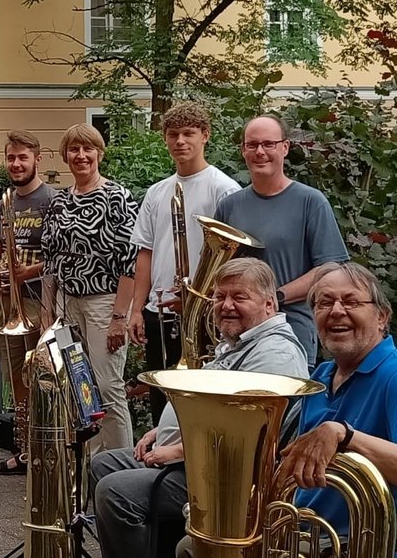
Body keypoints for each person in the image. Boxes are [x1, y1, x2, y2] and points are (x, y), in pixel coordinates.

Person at [176, 261, 397, 558]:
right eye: (324, 302)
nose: (336, 311)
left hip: (349, 544)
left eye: (351, 301)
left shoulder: (393, 374)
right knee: (198, 545)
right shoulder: (321, 375)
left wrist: (344, 435)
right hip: (302, 531)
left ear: (382, 317)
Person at [92, 258, 309, 558]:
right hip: (195, 462)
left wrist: (180, 450)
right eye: (220, 297)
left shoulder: (275, 354)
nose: (226, 305)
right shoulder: (242, 342)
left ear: (269, 305)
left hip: (223, 479)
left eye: (239, 297)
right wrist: (161, 431)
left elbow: (246, 432)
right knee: (103, 464)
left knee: (115, 492)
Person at [127, 102, 242, 425]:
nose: (180, 141)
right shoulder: (157, 192)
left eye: (189, 133)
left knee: (196, 402)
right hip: (158, 309)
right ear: (164, 139)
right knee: (160, 398)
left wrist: (200, 298)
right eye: (173, 134)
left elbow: (232, 257)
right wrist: (137, 309)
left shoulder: (224, 189)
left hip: (200, 313)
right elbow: (145, 252)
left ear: (205, 136)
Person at [214, 115, 350, 370]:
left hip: (291, 331)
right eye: (252, 145)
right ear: (243, 150)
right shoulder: (229, 206)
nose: (260, 152)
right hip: (237, 336)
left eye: (269, 144)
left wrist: (277, 296)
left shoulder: (311, 201)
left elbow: (332, 267)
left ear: (284, 148)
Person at [41, 123, 138, 454]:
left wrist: (119, 317)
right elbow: (50, 262)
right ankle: (90, 470)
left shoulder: (116, 197)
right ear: (66, 156)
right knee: (80, 390)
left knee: (109, 388)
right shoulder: (58, 202)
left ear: (99, 153)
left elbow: (130, 260)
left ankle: (122, 468)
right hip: (66, 305)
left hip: (104, 303)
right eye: (74, 149)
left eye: (88, 149)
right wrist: (46, 315)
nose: (81, 156)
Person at [0, 130, 58, 476]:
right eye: (11, 158)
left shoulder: (52, 200)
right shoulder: (4, 203)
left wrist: (27, 271)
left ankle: (47, 449)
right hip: (9, 305)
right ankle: (25, 450)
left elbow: (58, 256)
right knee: (16, 378)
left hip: (38, 302)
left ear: (37, 159)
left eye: (22, 157)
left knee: (41, 378)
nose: (16, 164)